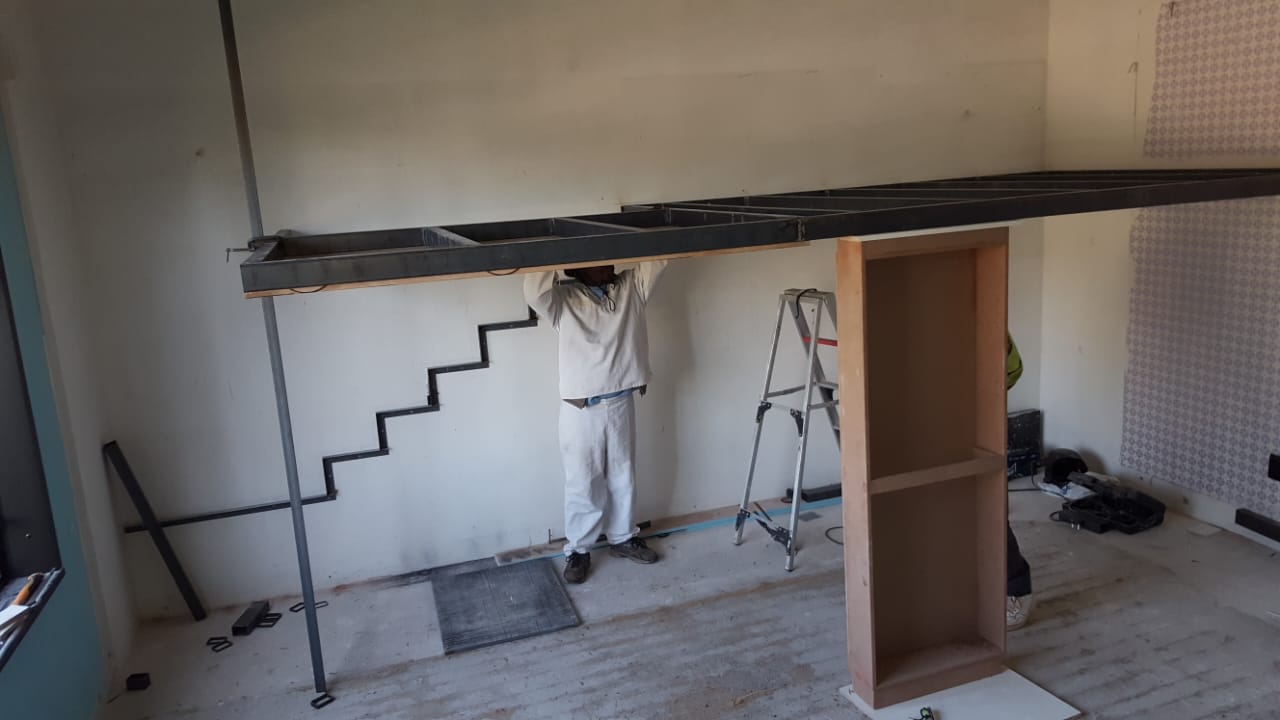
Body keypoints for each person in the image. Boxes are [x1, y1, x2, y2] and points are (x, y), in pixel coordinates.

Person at [524, 261, 668, 584]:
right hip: (581, 409)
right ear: (577, 269)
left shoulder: (631, 287)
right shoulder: (563, 300)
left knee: (623, 474)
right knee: (583, 480)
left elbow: (657, 261)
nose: (608, 263)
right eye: (597, 259)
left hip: (621, 400)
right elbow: (535, 293)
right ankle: (578, 549)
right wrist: (550, 253)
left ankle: (623, 537)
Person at [1006, 333, 1035, 630]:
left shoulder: (980, 319)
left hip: (974, 430)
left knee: (987, 516)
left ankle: (1016, 590)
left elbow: (1012, 370)